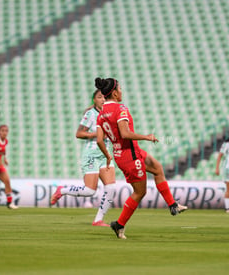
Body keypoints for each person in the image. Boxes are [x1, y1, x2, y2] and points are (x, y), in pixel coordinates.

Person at [94, 77, 187, 239]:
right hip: (129, 154)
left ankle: (173, 205)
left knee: (157, 168)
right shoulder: (120, 109)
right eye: (120, 89)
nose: (121, 91)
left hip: (122, 153)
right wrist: (147, 137)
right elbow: (125, 133)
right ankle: (119, 224)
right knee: (140, 192)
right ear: (115, 93)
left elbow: (99, 140)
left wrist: (108, 155)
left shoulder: (101, 114)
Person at [51, 89, 116, 227]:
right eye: (99, 97)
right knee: (90, 191)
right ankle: (62, 190)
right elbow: (79, 133)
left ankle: (98, 220)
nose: (103, 99)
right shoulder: (90, 114)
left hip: (105, 155)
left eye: (105, 97)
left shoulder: (109, 114)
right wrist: (96, 134)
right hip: (91, 155)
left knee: (110, 188)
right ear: (94, 100)